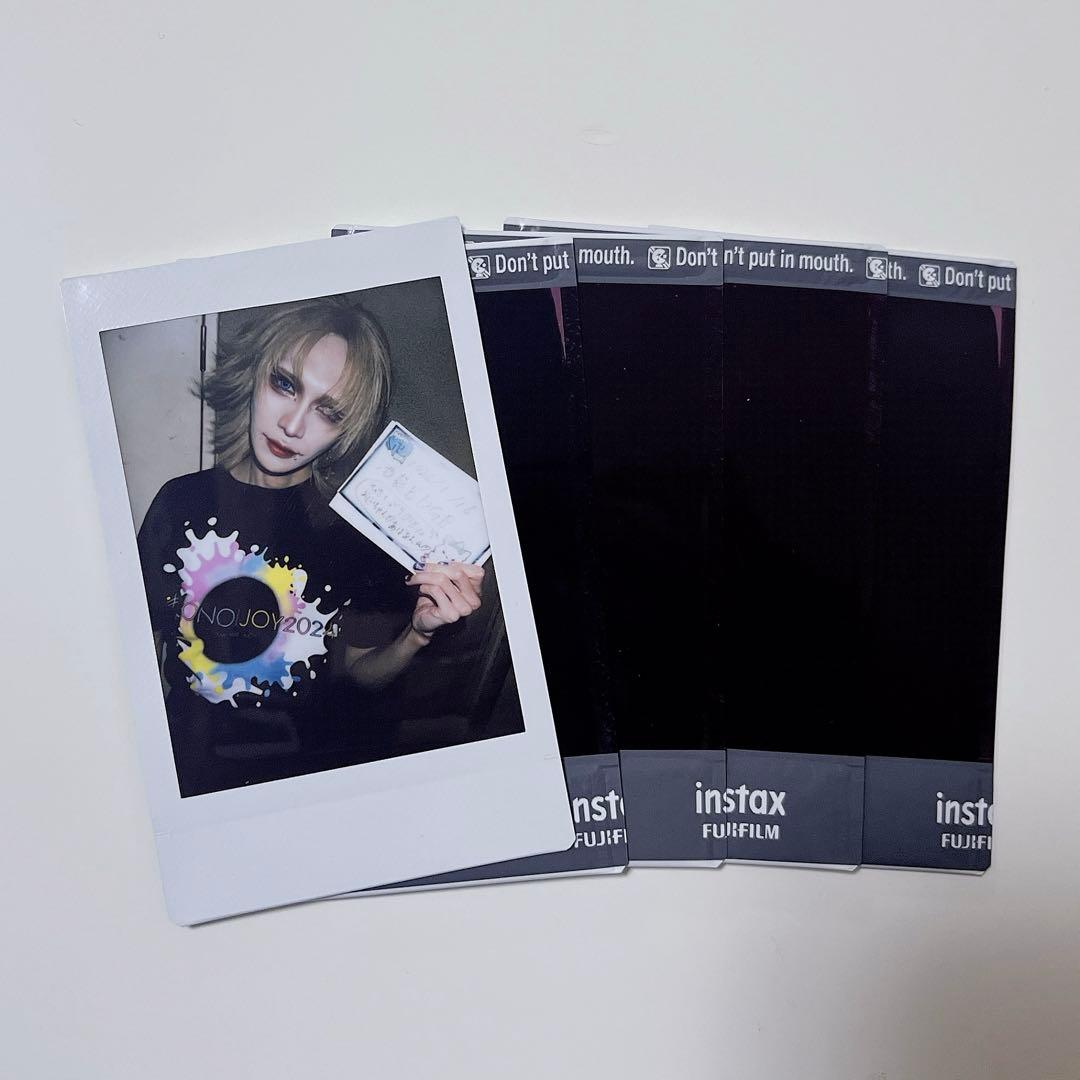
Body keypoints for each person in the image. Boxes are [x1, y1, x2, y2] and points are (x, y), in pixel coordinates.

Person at [136, 296, 487, 797]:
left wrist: (417, 634)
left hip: (303, 777)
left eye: (329, 411)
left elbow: (361, 673)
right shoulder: (180, 502)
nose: (293, 425)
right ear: (254, 374)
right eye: (285, 384)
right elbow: (139, 648)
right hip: (187, 770)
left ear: (348, 429)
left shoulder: (354, 534)